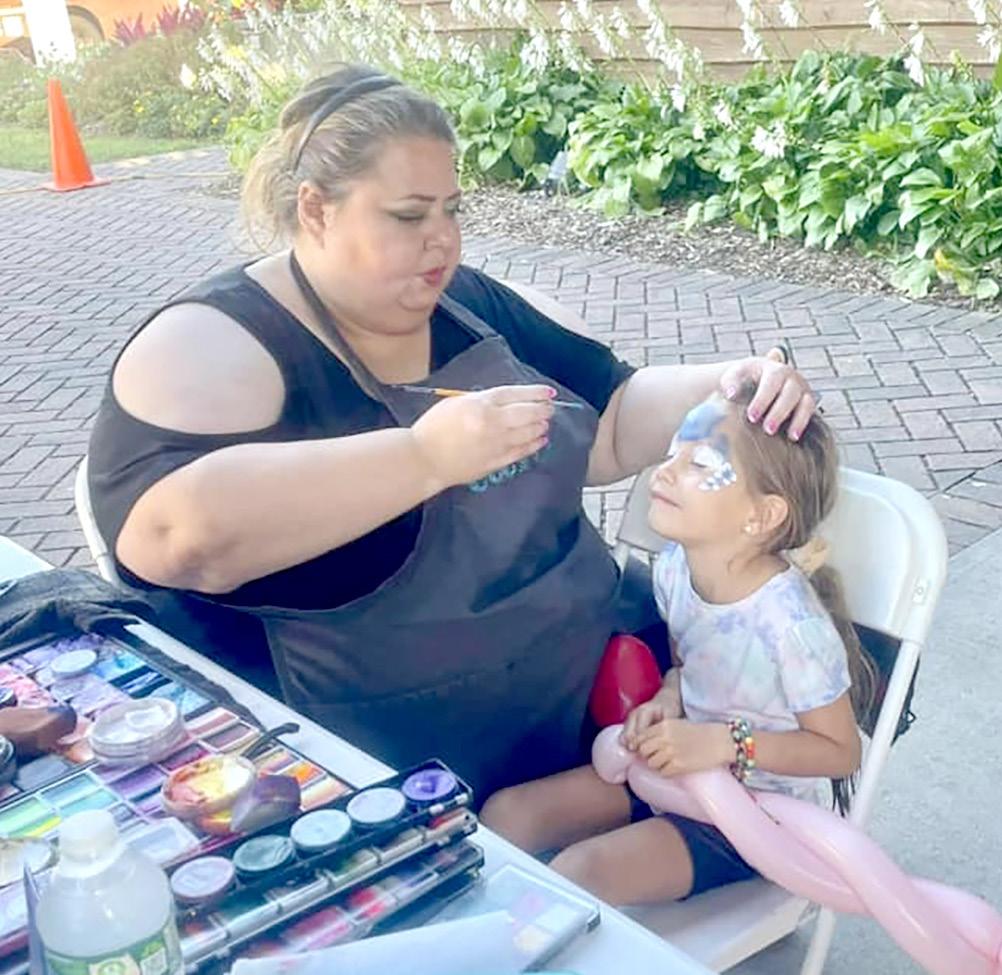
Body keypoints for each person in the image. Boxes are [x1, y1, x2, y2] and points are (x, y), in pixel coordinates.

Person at [86, 65, 817, 803]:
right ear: (316, 210)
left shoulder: (469, 305)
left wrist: (732, 381)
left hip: (610, 708)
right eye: (409, 216)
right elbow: (174, 540)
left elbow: (615, 419)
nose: (443, 241)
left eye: (451, 210)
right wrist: (423, 458)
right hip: (379, 776)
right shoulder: (213, 345)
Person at [480, 388, 876, 902]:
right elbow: (688, 666)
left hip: (755, 818)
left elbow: (840, 753)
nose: (663, 472)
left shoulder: (791, 627)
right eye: (672, 453)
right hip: (674, 773)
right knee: (507, 817)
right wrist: (668, 702)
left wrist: (725, 744)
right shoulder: (674, 569)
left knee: (579, 873)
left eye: (700, 463)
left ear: (762, 516)